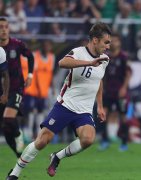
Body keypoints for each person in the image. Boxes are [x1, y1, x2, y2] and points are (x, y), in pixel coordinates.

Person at [6, 22, 112, 180]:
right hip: (65, 105)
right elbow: (62, 63)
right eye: (106, 42)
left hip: (84, 110)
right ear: (95, 40)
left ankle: (57, 157)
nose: (108, 46)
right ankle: (15, 173)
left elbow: (99, 81)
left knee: (88, 139)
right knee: (42, 140)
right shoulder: (78, 52)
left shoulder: (105, 59)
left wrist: (100, 106)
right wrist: (89, 63)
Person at [0, 17, 34, 158]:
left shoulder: (16, 44)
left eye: (6, 27)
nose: (3, 30)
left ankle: (19, 134)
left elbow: (30, 56)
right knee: (6, 128)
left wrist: (30, 75)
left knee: (9, 119)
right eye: (1, 27)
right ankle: (19, 154)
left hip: (16, 87)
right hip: (1, 91)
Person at [98, 32, 132, 151]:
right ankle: (104, 140)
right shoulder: (105, 56)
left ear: (120, 43)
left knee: (123, 117)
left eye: (116, 41)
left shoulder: (123, 57)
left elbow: (128, 74)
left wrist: (123, 88)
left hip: (120, 92)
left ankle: (124, 142)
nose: (113, 43)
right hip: (108, 91)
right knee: (103, 115)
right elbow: (102, 75)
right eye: (112, 41)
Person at [20, 40, 56, 142]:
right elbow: (33, 74)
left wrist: (52, 88)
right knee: (30, 111)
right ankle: (29, 134)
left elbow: (51, 73)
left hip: (45, 91)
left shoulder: (51, 57)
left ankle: (39, 134)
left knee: (41, 112)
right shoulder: (35, 56)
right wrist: (37, 88)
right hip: (33, 90)